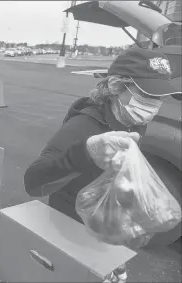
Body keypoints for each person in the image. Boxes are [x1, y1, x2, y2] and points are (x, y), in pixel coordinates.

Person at [24, 49, 181, 281]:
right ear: (117, 86)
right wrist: (85, 153)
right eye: (148, 96)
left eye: (160, 98)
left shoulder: (133, 121)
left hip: (105, 228)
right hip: (71, 227)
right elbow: (33, 182)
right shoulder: (82, 127)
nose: (155, 106)